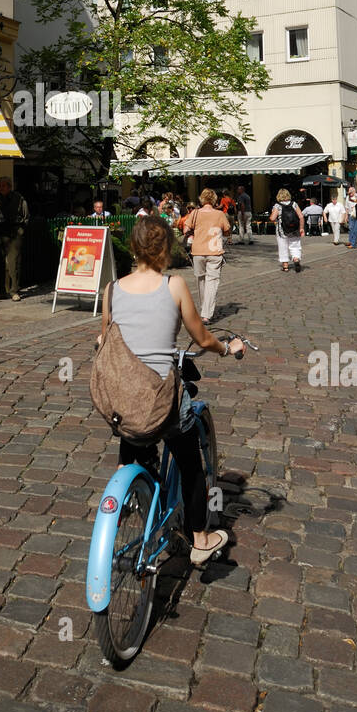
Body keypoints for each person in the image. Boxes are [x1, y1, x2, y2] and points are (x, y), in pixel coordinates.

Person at [97, 215, 242, 564]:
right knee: (191, 462)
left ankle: (126, 483)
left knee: (132, 416)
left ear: (133, 247)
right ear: (166, 249)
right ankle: (200, 539)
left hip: (120, 399)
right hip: (163, 399)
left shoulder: (112, 290)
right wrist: (228, 347)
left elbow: (105, 339)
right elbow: (202, 338)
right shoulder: (173, 285)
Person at [182, 189, 228, 322]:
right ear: (214, 199)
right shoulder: (219, 214)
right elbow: (227, 230)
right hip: (215, 251)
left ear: (201, 199)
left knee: (201, 281)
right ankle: (206, 314)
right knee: (212, 282)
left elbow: (185, 229)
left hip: (198, 251)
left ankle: (204, 309)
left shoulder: (194, 213)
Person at [0, 178, 29, 302]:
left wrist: (20, 232)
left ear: (9, 186)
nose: (1, 188)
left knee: (13, 264)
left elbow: (26, 217)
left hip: (13, 235)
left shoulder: (19, 199)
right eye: (0, 185)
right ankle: (0, 291)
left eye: (3, 186)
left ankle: (14, 291)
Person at [270, 188, 304, 271]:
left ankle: (285, 266)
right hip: (294, 229)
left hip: (282, 231)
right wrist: (301, 228)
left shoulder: (277, 206)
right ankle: (296, 259)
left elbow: (272, 218)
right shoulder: (294, 204)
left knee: (283, 247)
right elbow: (301, 216)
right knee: (295, 245)